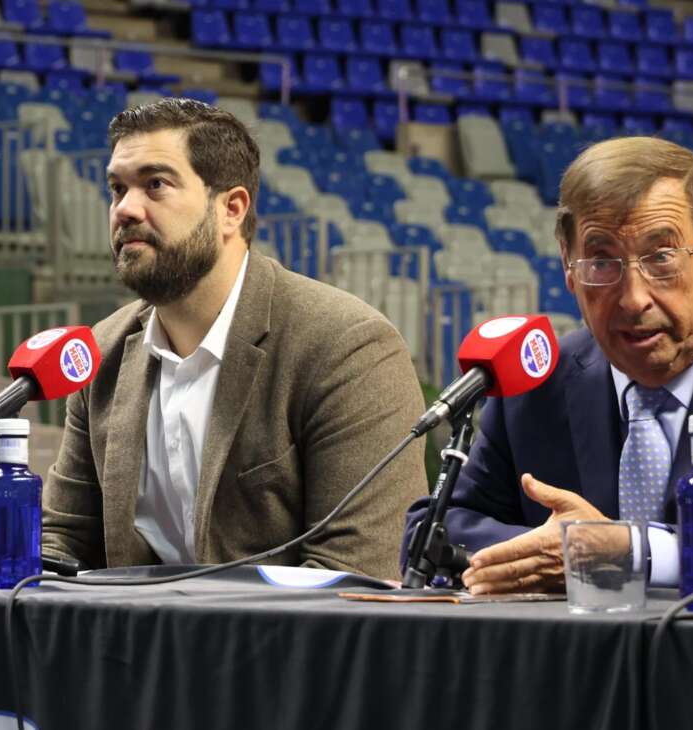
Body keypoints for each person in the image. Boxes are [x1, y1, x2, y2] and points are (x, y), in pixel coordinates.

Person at [41, 98, 427, 579]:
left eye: (155, 184)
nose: (125, 209)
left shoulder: (348, 348)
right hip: (137, 627)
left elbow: (356, 572)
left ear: (231, 209)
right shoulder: (102, 353)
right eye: (118, 188)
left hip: (284, 629)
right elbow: (65, 540)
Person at [403, 135, 693, 593]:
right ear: (568, 266)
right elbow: (436, 531)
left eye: (661, 257)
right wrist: (559, 552)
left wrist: (630, 554)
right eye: (602, 262)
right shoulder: (536, 383)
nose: (634, 299)